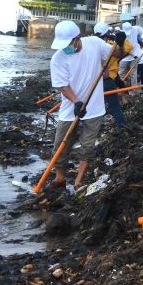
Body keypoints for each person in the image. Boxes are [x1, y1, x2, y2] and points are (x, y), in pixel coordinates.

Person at [48, 20, 120, 189]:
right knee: (61, 144)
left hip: (94, 108)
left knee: (87, 147)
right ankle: (60, 178)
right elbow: (62, 85)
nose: (65, 48)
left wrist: (120, 43)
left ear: (77, 39)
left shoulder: (94, 43)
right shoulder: (57, 59)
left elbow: (115, 54)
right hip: (70, 108)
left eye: (68, 44)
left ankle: (78, 181)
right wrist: (76, 101)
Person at [93, 23, 129, 129]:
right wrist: (120, 44)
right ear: (107, 34)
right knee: (115, 106)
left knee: (91, 106)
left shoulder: (86, 43)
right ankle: (121, 127)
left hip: (90, 81)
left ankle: (84, 127)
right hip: (104, 80)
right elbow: (120, 54)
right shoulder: (104, 45)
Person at [117, 22, 139, 93]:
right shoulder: (121, 34)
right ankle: (122, 90)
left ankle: (134, 92)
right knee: (121, 73)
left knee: (133, 74)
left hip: (134, 57)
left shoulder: (136, 29)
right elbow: (126, 48)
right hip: (124, 57)